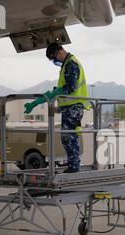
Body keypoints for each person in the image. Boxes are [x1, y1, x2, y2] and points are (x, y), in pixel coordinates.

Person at [24, 43, 89, 173]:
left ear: (59, 51)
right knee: (69, 136)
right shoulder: (67, 64)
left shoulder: (71, 64)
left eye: (54, 58)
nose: (55, 61)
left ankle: (74, 166)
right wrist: (59, 108)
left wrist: (54, 93)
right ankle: (74, 165)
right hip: (71, 107)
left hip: (74, 107)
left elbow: (71, 88)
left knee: (68, 136)